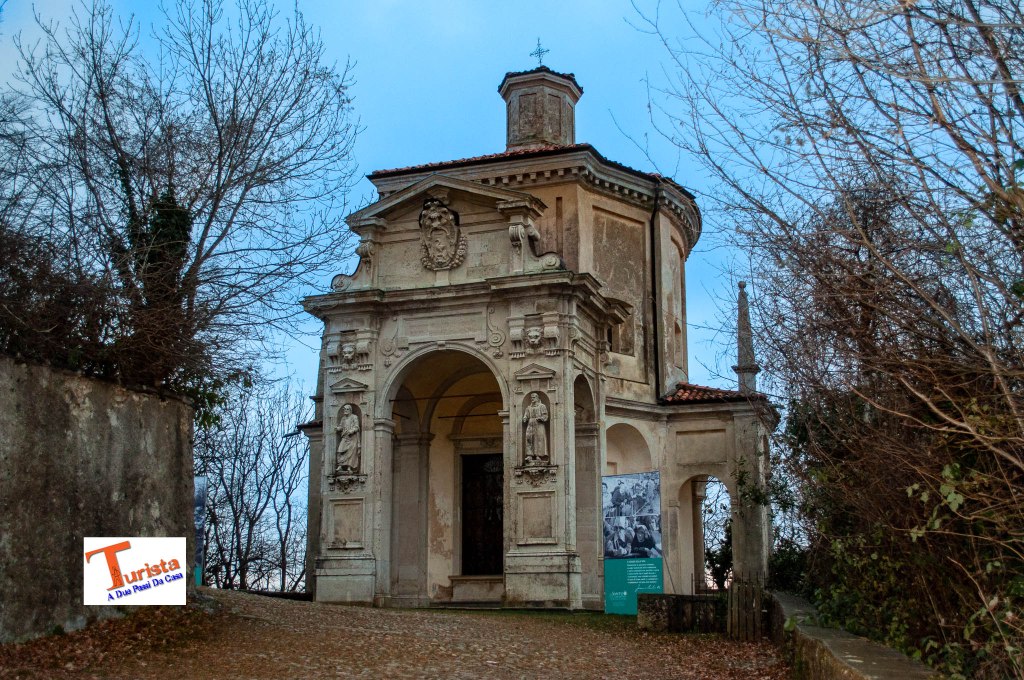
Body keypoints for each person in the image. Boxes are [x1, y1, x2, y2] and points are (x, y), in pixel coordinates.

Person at [522, 392, 549, 464]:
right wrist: (525, 418)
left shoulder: (542, 406)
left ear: (537, 398)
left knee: (539, 439)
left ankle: (538, 455)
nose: (532, 399)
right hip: (530, 423)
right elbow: (526, 415)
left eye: (533, 397)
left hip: (539, 424)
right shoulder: (528, 407)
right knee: (529, 439)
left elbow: (545, 416)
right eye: (531, 397)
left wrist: (541, 418)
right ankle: (530, 455)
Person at [335, 404, 361, 474]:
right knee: (340, 450)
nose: (345, 411)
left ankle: (349, 467)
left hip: (352, 437)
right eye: (344, 409)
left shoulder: (354, 417)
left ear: (350, 410)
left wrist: (352, 430)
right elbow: (341, 426)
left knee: (351, 453)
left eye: (347, 409)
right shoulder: (343, 418)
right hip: (345, 436)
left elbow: (357, 427)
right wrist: (338, 428)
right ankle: (340, 465)